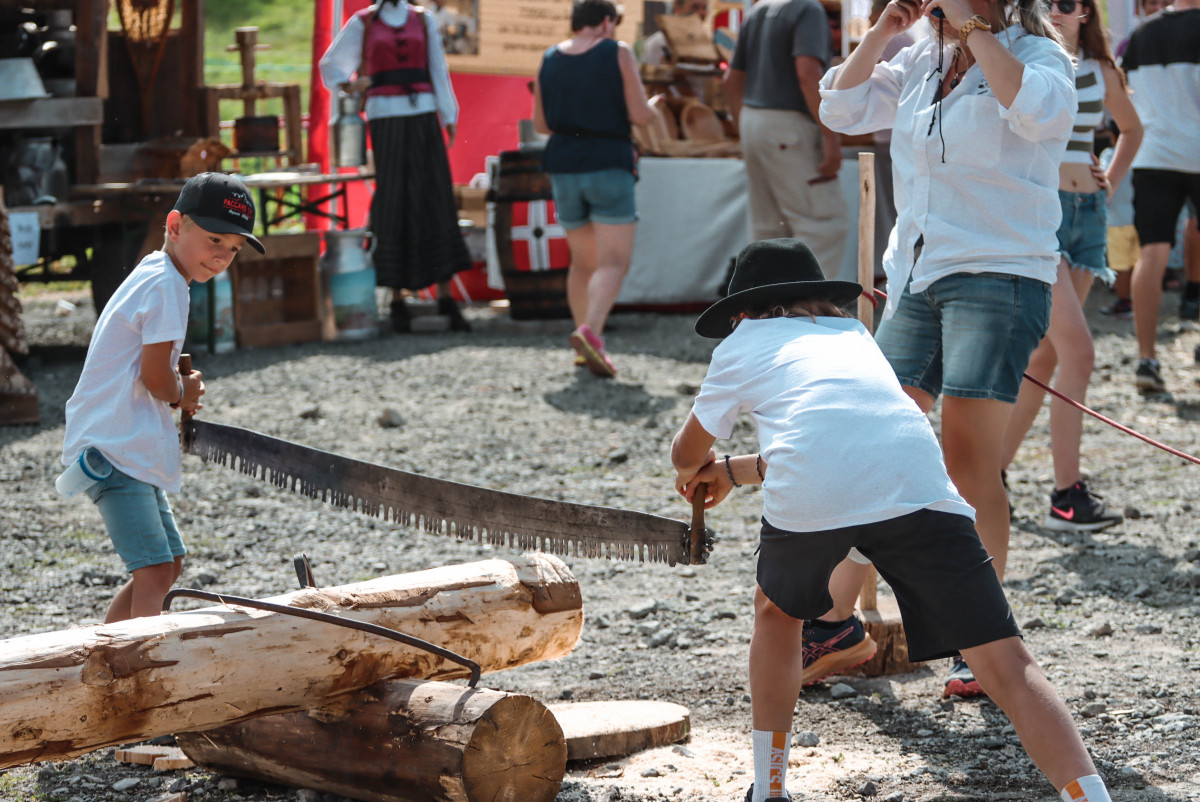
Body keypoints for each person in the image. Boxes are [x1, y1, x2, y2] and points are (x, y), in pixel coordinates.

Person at [671, 238, 1113, 802]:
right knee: (1006, 660)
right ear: (819, 299)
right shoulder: (854, 335)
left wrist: (700, 470)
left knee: (777, 615)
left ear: (741, 312)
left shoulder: (742, 342)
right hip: (915, 478)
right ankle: (1092, 797)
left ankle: (770, 788)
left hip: (820, 486)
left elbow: (687, 456)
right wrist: (735, 472)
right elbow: (853, 434)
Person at [819, 0, 1075, 696]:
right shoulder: (916, 57)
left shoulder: (1037, 55)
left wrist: (972, 31)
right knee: (876, 443)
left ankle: (979, 641)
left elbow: (1040, 112)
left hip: (999, 272)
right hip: (917, 274)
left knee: (968, 461)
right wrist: (882, 30)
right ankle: (832, 623)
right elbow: (838, 110)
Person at [61, 172, 263, 623]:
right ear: (175, 226)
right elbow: (156, 379)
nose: (222, 255)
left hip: (122, 441)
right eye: (213, 239)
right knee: (153, 569)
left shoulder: (158, 269)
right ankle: (142, 672)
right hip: (115, 448)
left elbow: (148, 369)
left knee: (167, 566)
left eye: (233, 248)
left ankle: (106, 655)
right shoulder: (168, 286)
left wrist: (177, 388)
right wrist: (183, 391)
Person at [999, 0, 1141, 531]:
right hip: (1044, 217)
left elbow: (1132, 129)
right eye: (1044, 3)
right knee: (1077, 354)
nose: (1053, 11)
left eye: (1066, 3)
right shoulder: (1031, 55)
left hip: (1087, 216)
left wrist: (1110, 177)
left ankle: (993, 474)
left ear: (1086, 11)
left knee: (1047, 357)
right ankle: (1065, 496)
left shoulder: (1102, 68)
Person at [320, 0, 473, 334]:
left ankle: (446, 296)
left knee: (436, 198)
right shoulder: (364, 22)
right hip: (385, 118)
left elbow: (437, 67)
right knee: (394, 201)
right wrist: (349, 86)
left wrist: (449, 114)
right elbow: (331, 65)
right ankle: (398, 297)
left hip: (422, 115)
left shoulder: (423, 19)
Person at [533, 0, 655, 378]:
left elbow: (541, 124)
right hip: (608, 160)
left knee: (583, 263)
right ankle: (590, 333)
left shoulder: (549, 57)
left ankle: (585, 347)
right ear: (605, 22)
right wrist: (653, 106)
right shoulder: (616, 52)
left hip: (563, 165)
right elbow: (640, 115)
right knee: (613, 262)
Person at [722, 0, 849, 273]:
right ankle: (810, 310)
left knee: (767, 230)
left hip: (754, 120)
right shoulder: (807, 9)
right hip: (789, 126)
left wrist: (743, 126)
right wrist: (831, 137)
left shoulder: (757, 10)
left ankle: (765, 310)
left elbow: (731, 81)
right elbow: (807, 74)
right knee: (822, 226)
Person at [1122, 0, 1200, 392]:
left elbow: (1127, 97)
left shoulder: (1141, 33)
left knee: (1152, 252)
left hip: (1153, 154)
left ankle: (1146, 358)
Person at [641, 0, 709, 66]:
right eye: (695, 6)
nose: (702, 13)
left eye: (704, 8)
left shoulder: (706, 45)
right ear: (677, 8)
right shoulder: (660, 42)